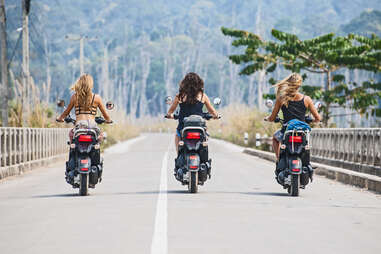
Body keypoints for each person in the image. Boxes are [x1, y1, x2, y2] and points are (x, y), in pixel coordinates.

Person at [265, 73, 321, 160]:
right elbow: (318, 118)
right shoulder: (306, 99)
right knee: (306, 145)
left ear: (288, 83)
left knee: (275, 138)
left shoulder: (281, 98)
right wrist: (311, 120)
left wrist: (268, 118)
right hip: (302, 131)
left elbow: (272, 118)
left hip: (286, 130)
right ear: (299, 85)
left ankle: (279, 160)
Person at [165, 72, 220, 153]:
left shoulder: (180, 96)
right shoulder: (202, 96)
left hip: (183, 127)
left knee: (177, 135)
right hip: (199, 127)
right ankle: (204, 158)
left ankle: (178, 157)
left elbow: (170, 112)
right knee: (205, 136)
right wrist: (216, 116)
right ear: (199, 83)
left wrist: (169, 115)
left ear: (184, 84)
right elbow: (213, 112)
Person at [56, 73, 113, 142]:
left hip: (79, 125)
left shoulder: (75, 97)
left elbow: (66, 112)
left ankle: (73, 148)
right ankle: (96, 149)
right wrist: (108, 120)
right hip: (92, 125)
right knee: (100, 136)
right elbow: (105, 115)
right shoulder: (97, 98)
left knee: (71, 134)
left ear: (80, 83)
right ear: (91, 85)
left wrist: (60, 118)